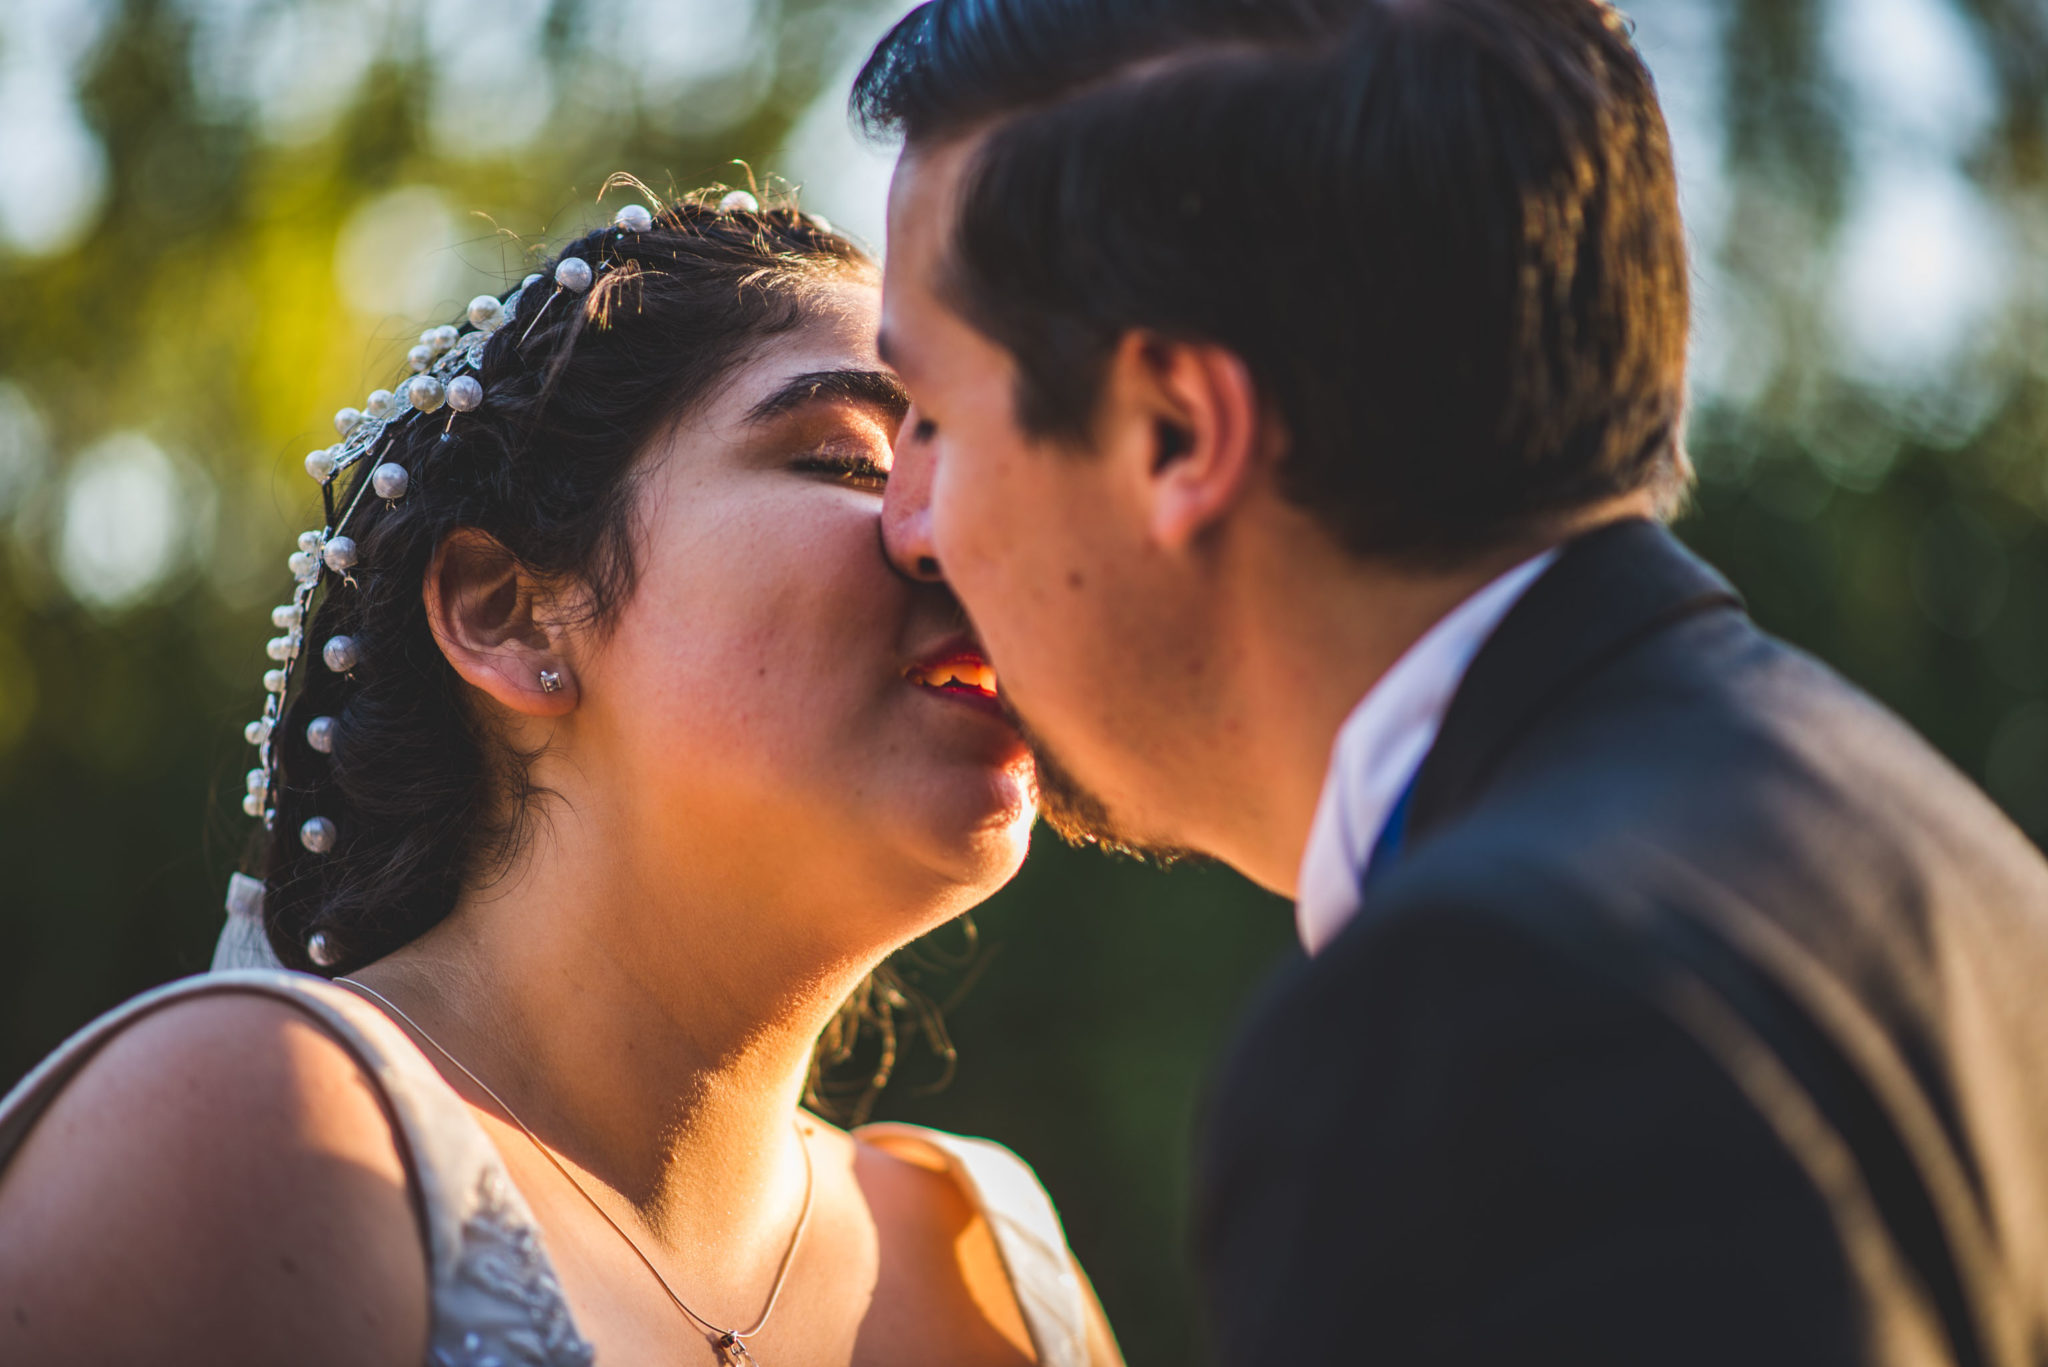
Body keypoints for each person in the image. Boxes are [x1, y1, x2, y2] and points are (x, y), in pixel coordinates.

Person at [855, 1, 2048, 1362]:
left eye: (936, 413)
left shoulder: (1475, 1028)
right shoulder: (1938, 853)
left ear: (1177, 430)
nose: (909, 523)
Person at [0, 190, 1122, 1367]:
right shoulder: (252, 1134)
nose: (961, 535)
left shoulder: (994, 1262)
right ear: (505, 610)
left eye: (984, 469)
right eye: (850, 460)